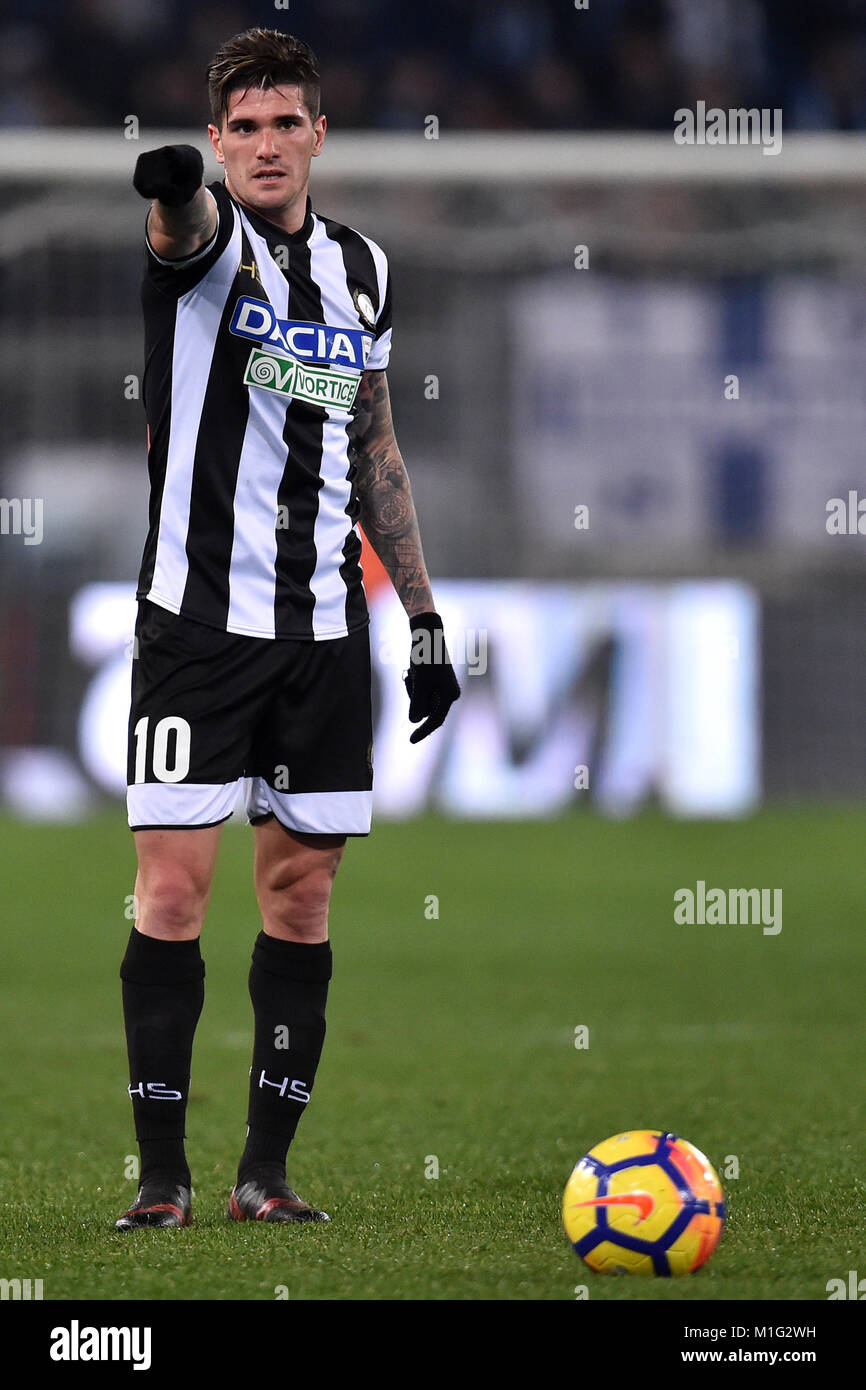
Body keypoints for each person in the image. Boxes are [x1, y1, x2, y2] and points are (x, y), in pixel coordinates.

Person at [116, 27, 460, 1229]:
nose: (265, 144)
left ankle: (265, 1173)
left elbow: (371, 442)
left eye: (284, 124)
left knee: (302, 898)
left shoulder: (362, 269)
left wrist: (419, 617)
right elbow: (177, 227)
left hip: (323, 633)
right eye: (242, 128)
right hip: (193, 630)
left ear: (318, 132)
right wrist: (169, 186)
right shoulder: (202, 249)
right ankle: (162, 1177)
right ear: (221, 141)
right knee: (169, 891)